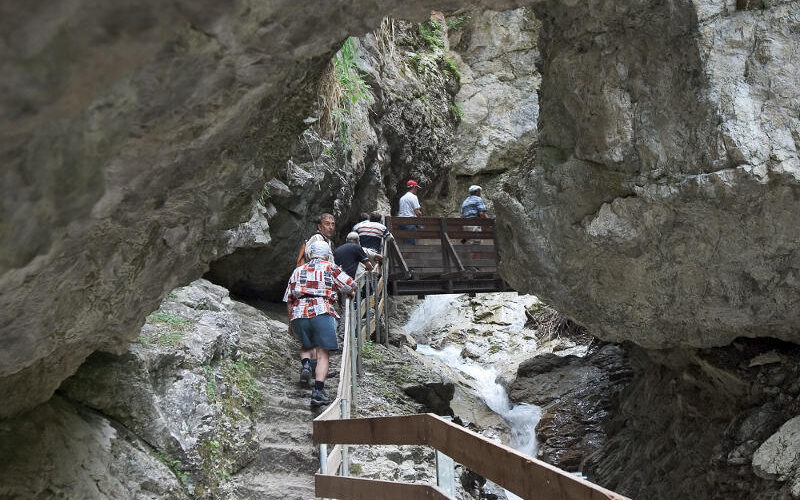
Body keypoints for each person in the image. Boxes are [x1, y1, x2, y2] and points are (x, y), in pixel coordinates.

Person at [284, 241, 354, 407]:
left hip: (299, 313)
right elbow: (351, 284)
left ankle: (307, 365)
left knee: (307, 346)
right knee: (323, 354)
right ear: (327, 254)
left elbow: (288, 299)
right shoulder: (330, 267)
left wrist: (290, 322)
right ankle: (318, 392)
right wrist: (349, 292)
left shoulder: (298, 270)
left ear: (310, 254)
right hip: (322, 310)